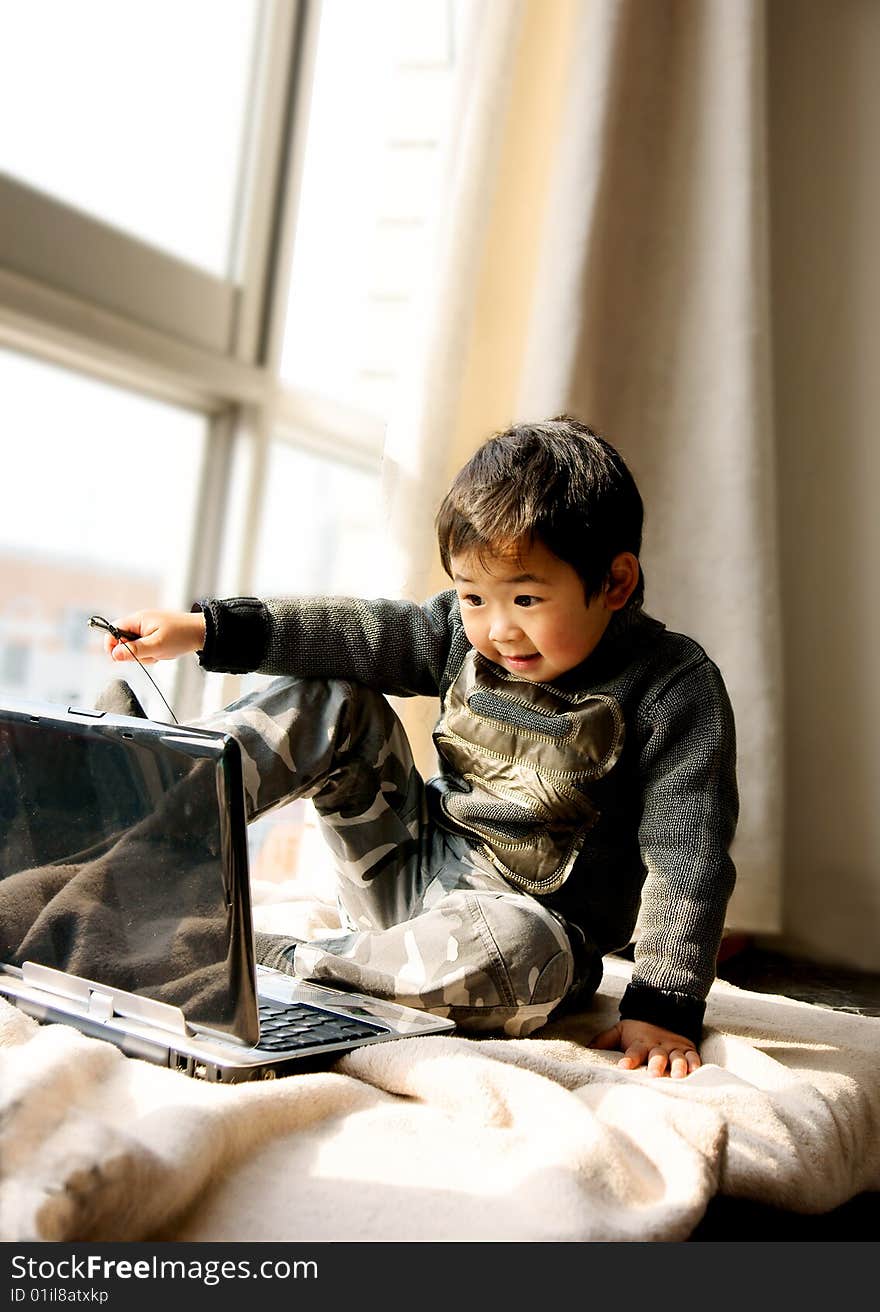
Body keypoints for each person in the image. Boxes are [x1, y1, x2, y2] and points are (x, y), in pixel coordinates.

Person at [101, 416, 738, 1079]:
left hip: (529, 928)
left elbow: (687, 855)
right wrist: (209, 629)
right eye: (472, 598)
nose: (498, 629)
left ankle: (245, 955)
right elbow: (355, 633)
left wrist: (664, 1002)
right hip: (407, 866)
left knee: (525, 956)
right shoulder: (458, 635)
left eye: (525, 598)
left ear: (615, 583)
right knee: (336, 699)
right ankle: (144, 802)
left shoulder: (672, 687)